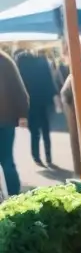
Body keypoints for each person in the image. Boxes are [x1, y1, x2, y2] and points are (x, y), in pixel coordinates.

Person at [14, 47, 58, 166]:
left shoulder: (20, 67)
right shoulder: (42, 62)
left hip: (30, 102)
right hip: (44, 100)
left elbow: (18, 88)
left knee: (34, 131)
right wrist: (53, 97)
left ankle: (36, 156)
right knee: (46, 129)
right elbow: (50, 81)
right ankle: (48, 156)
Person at [0, 50, 27, 195]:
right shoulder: (5, 60)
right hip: (6, 119)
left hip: (5, 119)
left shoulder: (5, 60)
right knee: (7, 160)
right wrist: (22, 114)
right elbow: (18, 88)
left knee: (7, 160)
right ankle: (14, 195)